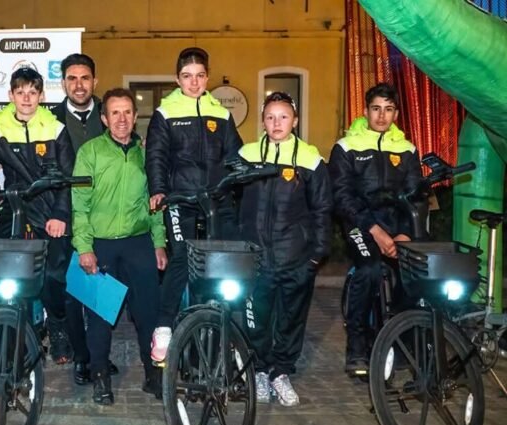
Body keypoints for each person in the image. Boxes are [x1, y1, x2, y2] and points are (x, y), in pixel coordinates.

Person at [0, 67, 76, 364]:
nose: (26, 98)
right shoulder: (0, 127)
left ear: (41, 96)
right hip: (15, 206)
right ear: (10, 95)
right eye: (20, 92)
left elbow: (66, 177)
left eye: (32, 92)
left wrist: (60, 214)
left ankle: (57, 326)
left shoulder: (56, 128)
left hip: (50, 210)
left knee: (52, 277)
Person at [145, 47, 243, 363]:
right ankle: (163, 326)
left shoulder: (221, 114)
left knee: (229, 262)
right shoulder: (165, 113)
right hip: (181, 200)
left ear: (207, 78)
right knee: (183, 258)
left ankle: (226, 331)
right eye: (187, 76)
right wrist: (159, 190)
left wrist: (243, 177)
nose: (194, 82)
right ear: (177, 79)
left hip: (217, 200)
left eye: (200, 76)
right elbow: (156, 155)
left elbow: (235, 156)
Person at [72, 88, 167, 405]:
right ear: (104, 118)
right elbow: (79, 205)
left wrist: (159, 243)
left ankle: (154, 375)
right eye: (115, 112)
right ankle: (100, 377)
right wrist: (84, 247)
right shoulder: (89, 152)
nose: (122, 118)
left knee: (148, 316)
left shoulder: (145, 154)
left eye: (127, 111)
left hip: (139, 244)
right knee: (100, 318)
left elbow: (155, 203)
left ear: (135, 116)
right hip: (101, 246)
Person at [238, 92, 332, 406]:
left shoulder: (310, 158)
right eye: (270, 117)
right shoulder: (247, 155)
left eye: (283, 117)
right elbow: (230, 201)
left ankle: (281, 372)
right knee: (257, 318)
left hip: (296, 257)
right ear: (262, 121)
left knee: (291, 320)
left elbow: (323, 209)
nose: (276, 123)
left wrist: (317, 254)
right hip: (256, 259)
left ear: (295, 120)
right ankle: (259, 371)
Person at [328, 83, 423, 376]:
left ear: (396, 114)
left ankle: (403, 341)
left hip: (397, 227)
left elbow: (417, 197)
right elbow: (342, 196)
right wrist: (374, 230)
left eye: (388, 109)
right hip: (359, 224)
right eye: (376, 109)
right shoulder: (346, 147)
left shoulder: (407, 149)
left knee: (414, 274)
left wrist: (405, 233)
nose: (382, 116)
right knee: (368, 269)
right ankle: (357, 346)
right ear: (366, 111)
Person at [51, 53, 118, 386]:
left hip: (104, 217)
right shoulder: (49, 118)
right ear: (63, 82)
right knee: (72, 292)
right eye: (72, 78)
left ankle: (100, 355)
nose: (79, 85)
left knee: (103, 287)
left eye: (85, 78)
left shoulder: (111, 114)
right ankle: (82, 357)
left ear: (95, 81)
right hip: (66, 216)